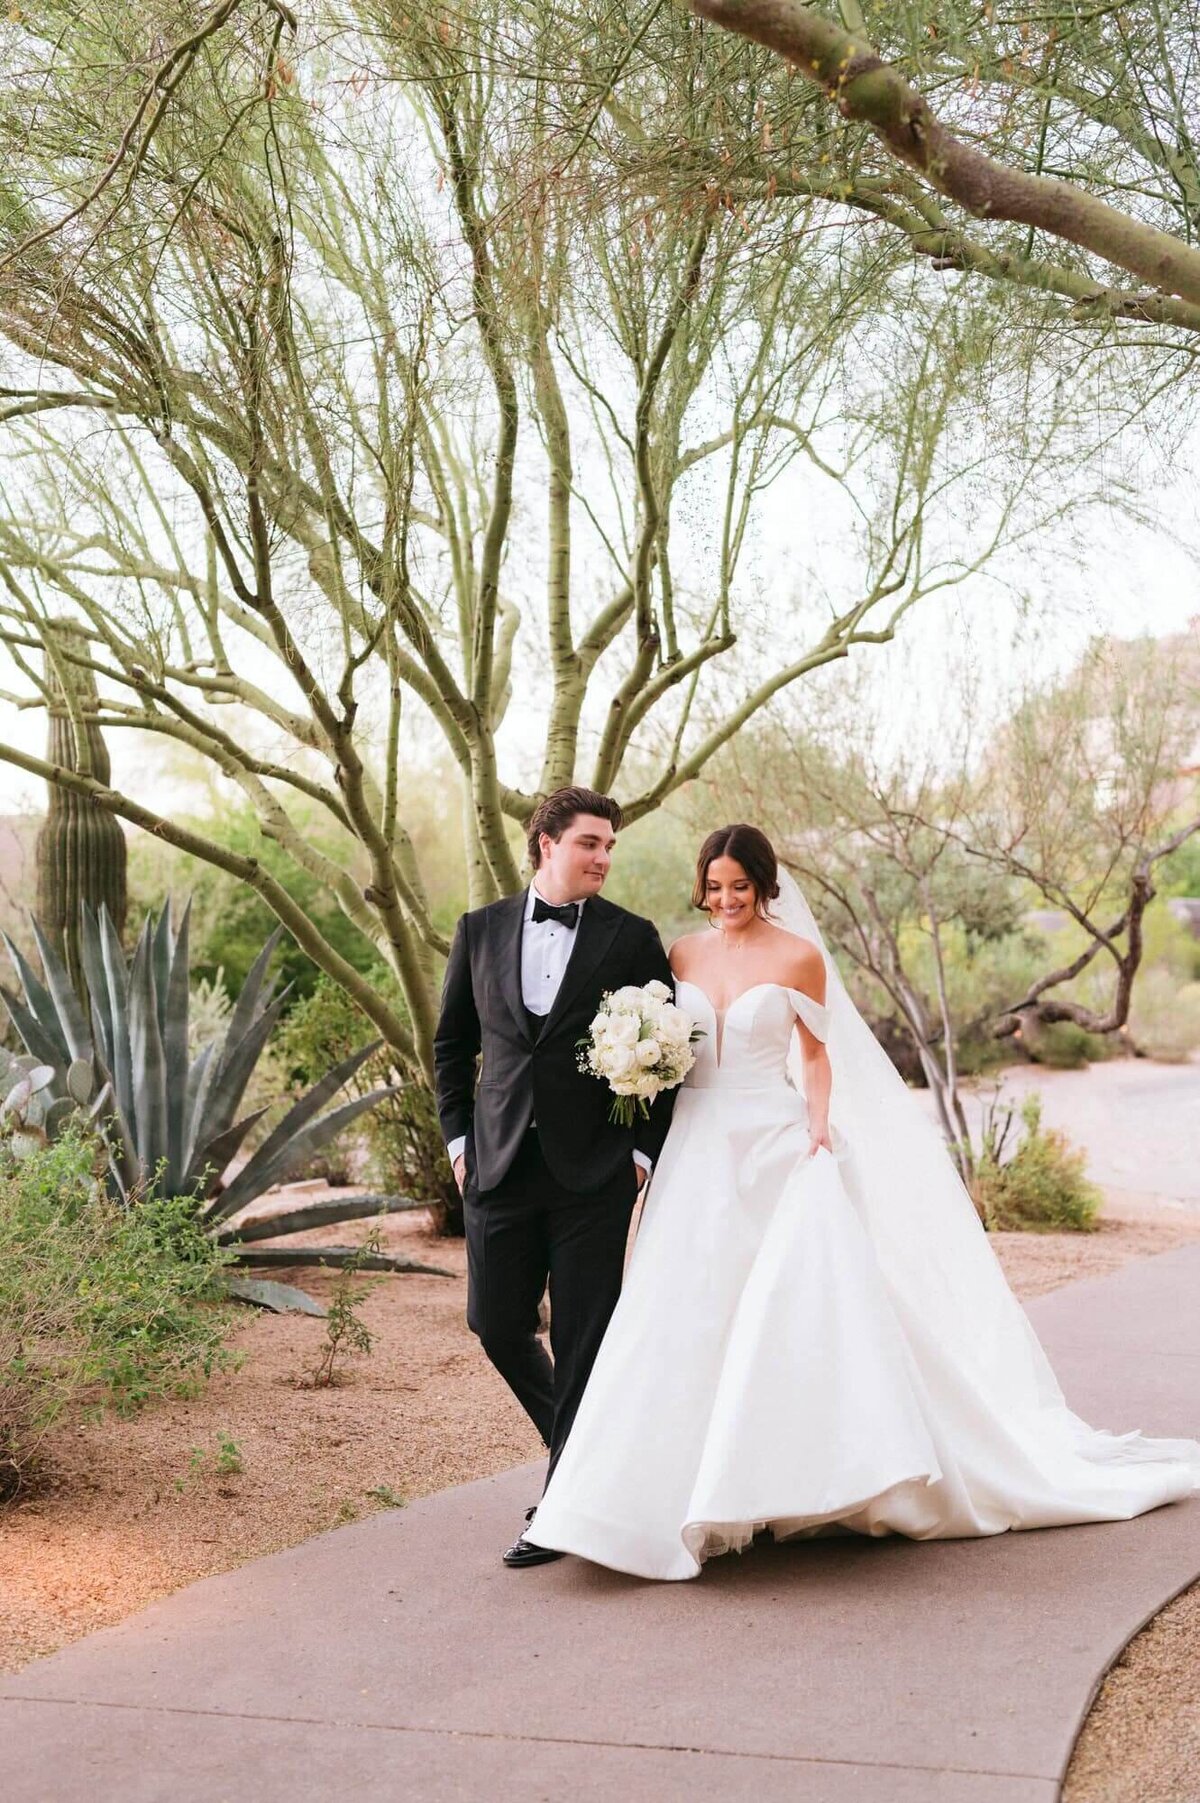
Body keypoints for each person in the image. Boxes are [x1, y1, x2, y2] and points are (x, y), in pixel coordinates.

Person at [528, 823, 1200, 1581]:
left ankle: (782, 1482)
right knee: (681, 1314)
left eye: (739, 888)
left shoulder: (798, 957)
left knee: (778, 1311)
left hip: (770, 1142)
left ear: (763, 885)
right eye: (713, 888)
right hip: (694, 1149)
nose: (725, 901)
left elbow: (815, 1057)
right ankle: (654, 1495)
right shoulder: (681, 954)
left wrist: (817, 1129)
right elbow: (668, 1046)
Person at [433, 785, 677, 1567]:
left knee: (583, 1340)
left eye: (610, 845)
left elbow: (668, 1054)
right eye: (590, 843)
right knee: (496, 1323)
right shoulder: (479, 931)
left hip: (593, 1176)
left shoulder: (631, 938)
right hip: (498, 1167)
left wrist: (640, 1154)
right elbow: (450, 1047)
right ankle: (580, 1456)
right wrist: (458, 1144)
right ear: (546, 843)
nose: (604, 857)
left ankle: (563, 1505)